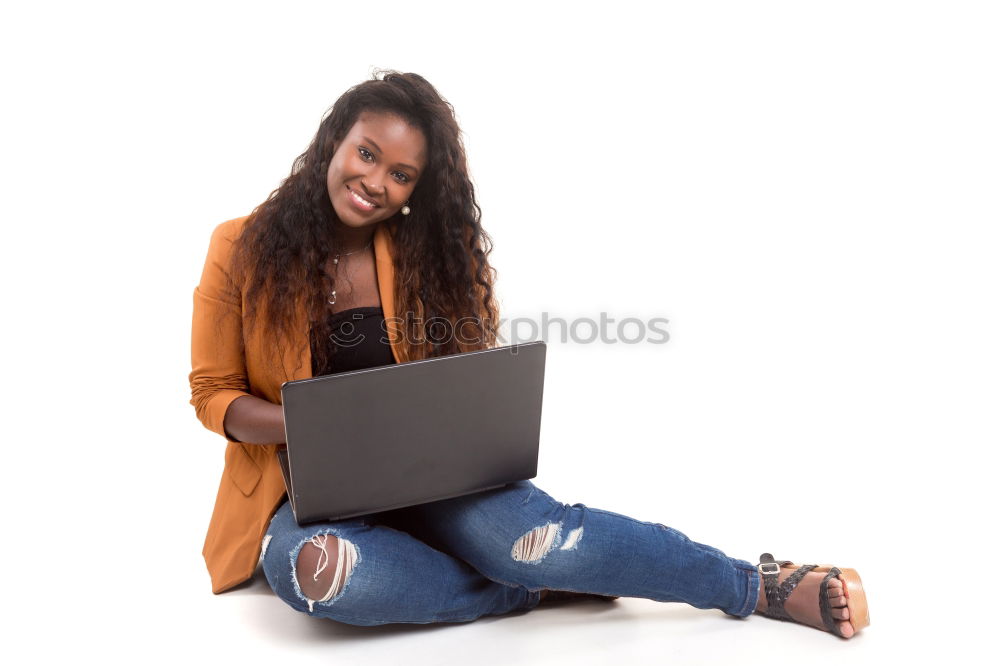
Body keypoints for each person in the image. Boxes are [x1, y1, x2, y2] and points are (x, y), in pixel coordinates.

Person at [188, 70, 870, 638]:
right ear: (334, 140)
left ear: (414, 190)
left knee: (543, 536)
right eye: (367, 154)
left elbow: (466, 381)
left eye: (401, 174)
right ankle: (520, 591)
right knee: (318, 576)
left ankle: (754, 584)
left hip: (430, 475)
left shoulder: (423, 257)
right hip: (308, 493)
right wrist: (313, 425)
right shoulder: (239, 246)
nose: (376, 181)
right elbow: (214, 393)